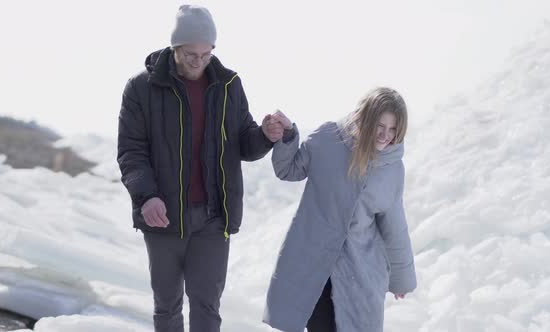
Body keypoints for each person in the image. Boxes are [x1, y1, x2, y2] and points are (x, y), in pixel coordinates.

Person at [117, 5, 284, 332]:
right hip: (162, 215)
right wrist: (146, 196)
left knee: (207, 305)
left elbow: (244, 144)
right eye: (190, 54)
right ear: (175, 48)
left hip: (212, 217)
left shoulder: (228, 85)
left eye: (206, 54)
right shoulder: (141, 88)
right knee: (166, 306)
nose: (198, 61)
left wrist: (265, 135)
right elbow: (131, 152)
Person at [263, 87, 417, 332]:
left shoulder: (392, 168)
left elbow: (394, 224)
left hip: (360, 271)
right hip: (315, 263)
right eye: (380, 126)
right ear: (364, 118)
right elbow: (288, 170)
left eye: (393, 130)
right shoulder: (327, 139)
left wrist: (401, 279)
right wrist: (288, 136)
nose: (385, 136)